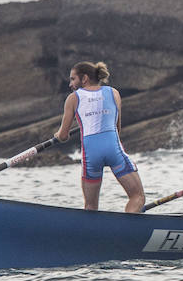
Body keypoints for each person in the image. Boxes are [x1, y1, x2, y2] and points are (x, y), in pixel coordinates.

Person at [52, 60, 144, 214]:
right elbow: (117, 128)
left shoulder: (73, 98)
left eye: (73, 79)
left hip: (91, 157)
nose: (70, 84)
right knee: (137, 197)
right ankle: (128, 229)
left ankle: (93, 234)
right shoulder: (113, 93)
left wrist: (57, 134)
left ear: (85, 78)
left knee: (90, 207)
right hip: (114, 151)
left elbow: (63, 136)